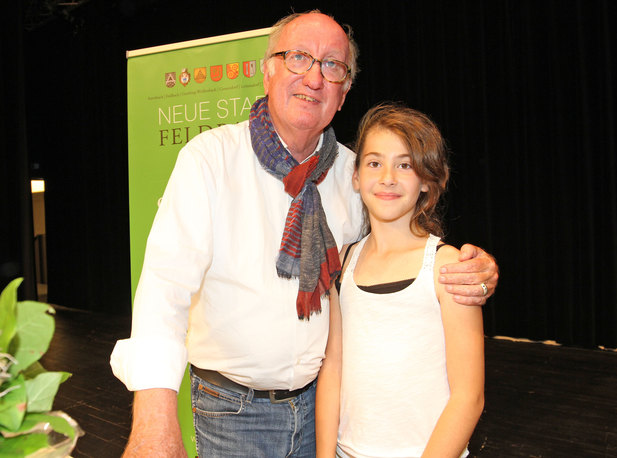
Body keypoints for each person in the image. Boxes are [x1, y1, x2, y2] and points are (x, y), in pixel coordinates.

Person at [110, 10, 498, 458]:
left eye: (332, 65)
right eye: (298, 58)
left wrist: (479, 270)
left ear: (343, 92)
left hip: (327, 410)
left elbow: (403, 247)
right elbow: (164, 289)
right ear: (268, 72)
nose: (314, 77)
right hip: (233, 414)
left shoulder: (354, 176)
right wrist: (154, 419)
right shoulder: (210, 160)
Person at [315, 103, 485, 458]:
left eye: (404, 165)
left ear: (426, 180)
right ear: (357, 176)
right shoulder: (342, 263)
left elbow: (469, 397)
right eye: (374, 163)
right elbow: (333, 367)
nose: (388, 177)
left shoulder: (448, 267)